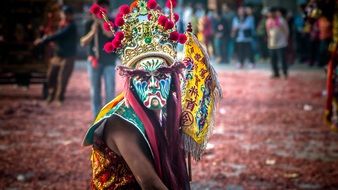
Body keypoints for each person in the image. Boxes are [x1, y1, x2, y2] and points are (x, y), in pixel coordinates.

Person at [82, 1, 221, 189]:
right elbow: (149, 183)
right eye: (144, 76)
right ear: (131, 82)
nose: (154, 84)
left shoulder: (168, 115)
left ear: (173, 80)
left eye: (162, 75)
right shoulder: (120, 123)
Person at [34, 5, 78, 105]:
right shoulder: (62, 24)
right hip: (58, 55)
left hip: (68, 56)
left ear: (70, 15)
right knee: (50, 76)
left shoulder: (72, 26)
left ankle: (59, 99)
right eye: (64, 14)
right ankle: (51, 96)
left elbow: (59, 35)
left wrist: (44, 40)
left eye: (67, 14)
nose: (65, 16)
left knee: (62, 78)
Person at [80, 0, 117, 118]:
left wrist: (102, 23)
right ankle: (97, 116)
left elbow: (110, 35)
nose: (102, 8)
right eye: (99, 6)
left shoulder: (112, 21)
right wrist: (93, 30)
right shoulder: (88, 23)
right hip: (94, 61)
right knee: (95, 91)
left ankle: (109, 115)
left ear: (107, 7)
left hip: (109, 61)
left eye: (104, 6)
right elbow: (83, 42)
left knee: (110, 90)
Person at [266, 7, 289, 78]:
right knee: (273, 59)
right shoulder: (268, 21)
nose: (269, 14)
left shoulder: (281, 20)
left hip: (281, 43)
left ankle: (285, 73)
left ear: (274, 13)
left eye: (270, 13)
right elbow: (267, 30)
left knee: (282, 59)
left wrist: (285, 39)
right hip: (272, 43)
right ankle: (275, 73)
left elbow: (286, 30)